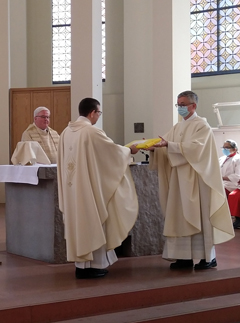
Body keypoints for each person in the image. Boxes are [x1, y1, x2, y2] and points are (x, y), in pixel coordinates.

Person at [147, 90, 235, 270]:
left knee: (199, 216)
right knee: (179, 217)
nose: (180, 108)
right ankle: (183, 257)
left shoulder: (202, 126)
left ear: (193, 106)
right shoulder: (177, 127)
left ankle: (207, 258)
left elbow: (196, 149)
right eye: (178, 105)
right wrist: (154, 148)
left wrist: (168, 145)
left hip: (197, 180)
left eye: (183, 105)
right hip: (179, 181)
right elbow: (167, 146)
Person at [57, 97, 139, 279]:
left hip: (72, 190)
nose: (98, 117)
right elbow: (112, 152)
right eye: (99, 113)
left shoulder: (65, 132)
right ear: (92, 112)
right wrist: (129, 151)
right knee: (92, 221)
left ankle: (81, 266)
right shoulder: (92, 132)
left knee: (78, 224)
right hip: (88, 191)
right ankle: (94, 265)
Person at [219, 139, 240, 229]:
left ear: (235, 149)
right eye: (223, 147)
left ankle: (230, 218)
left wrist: (222, 178)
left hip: (232, 184)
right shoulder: (221, 159)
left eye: (227, 147)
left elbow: (237, 176)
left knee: (222, 192)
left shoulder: (238, 159)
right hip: (221, 182)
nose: (224, 149)